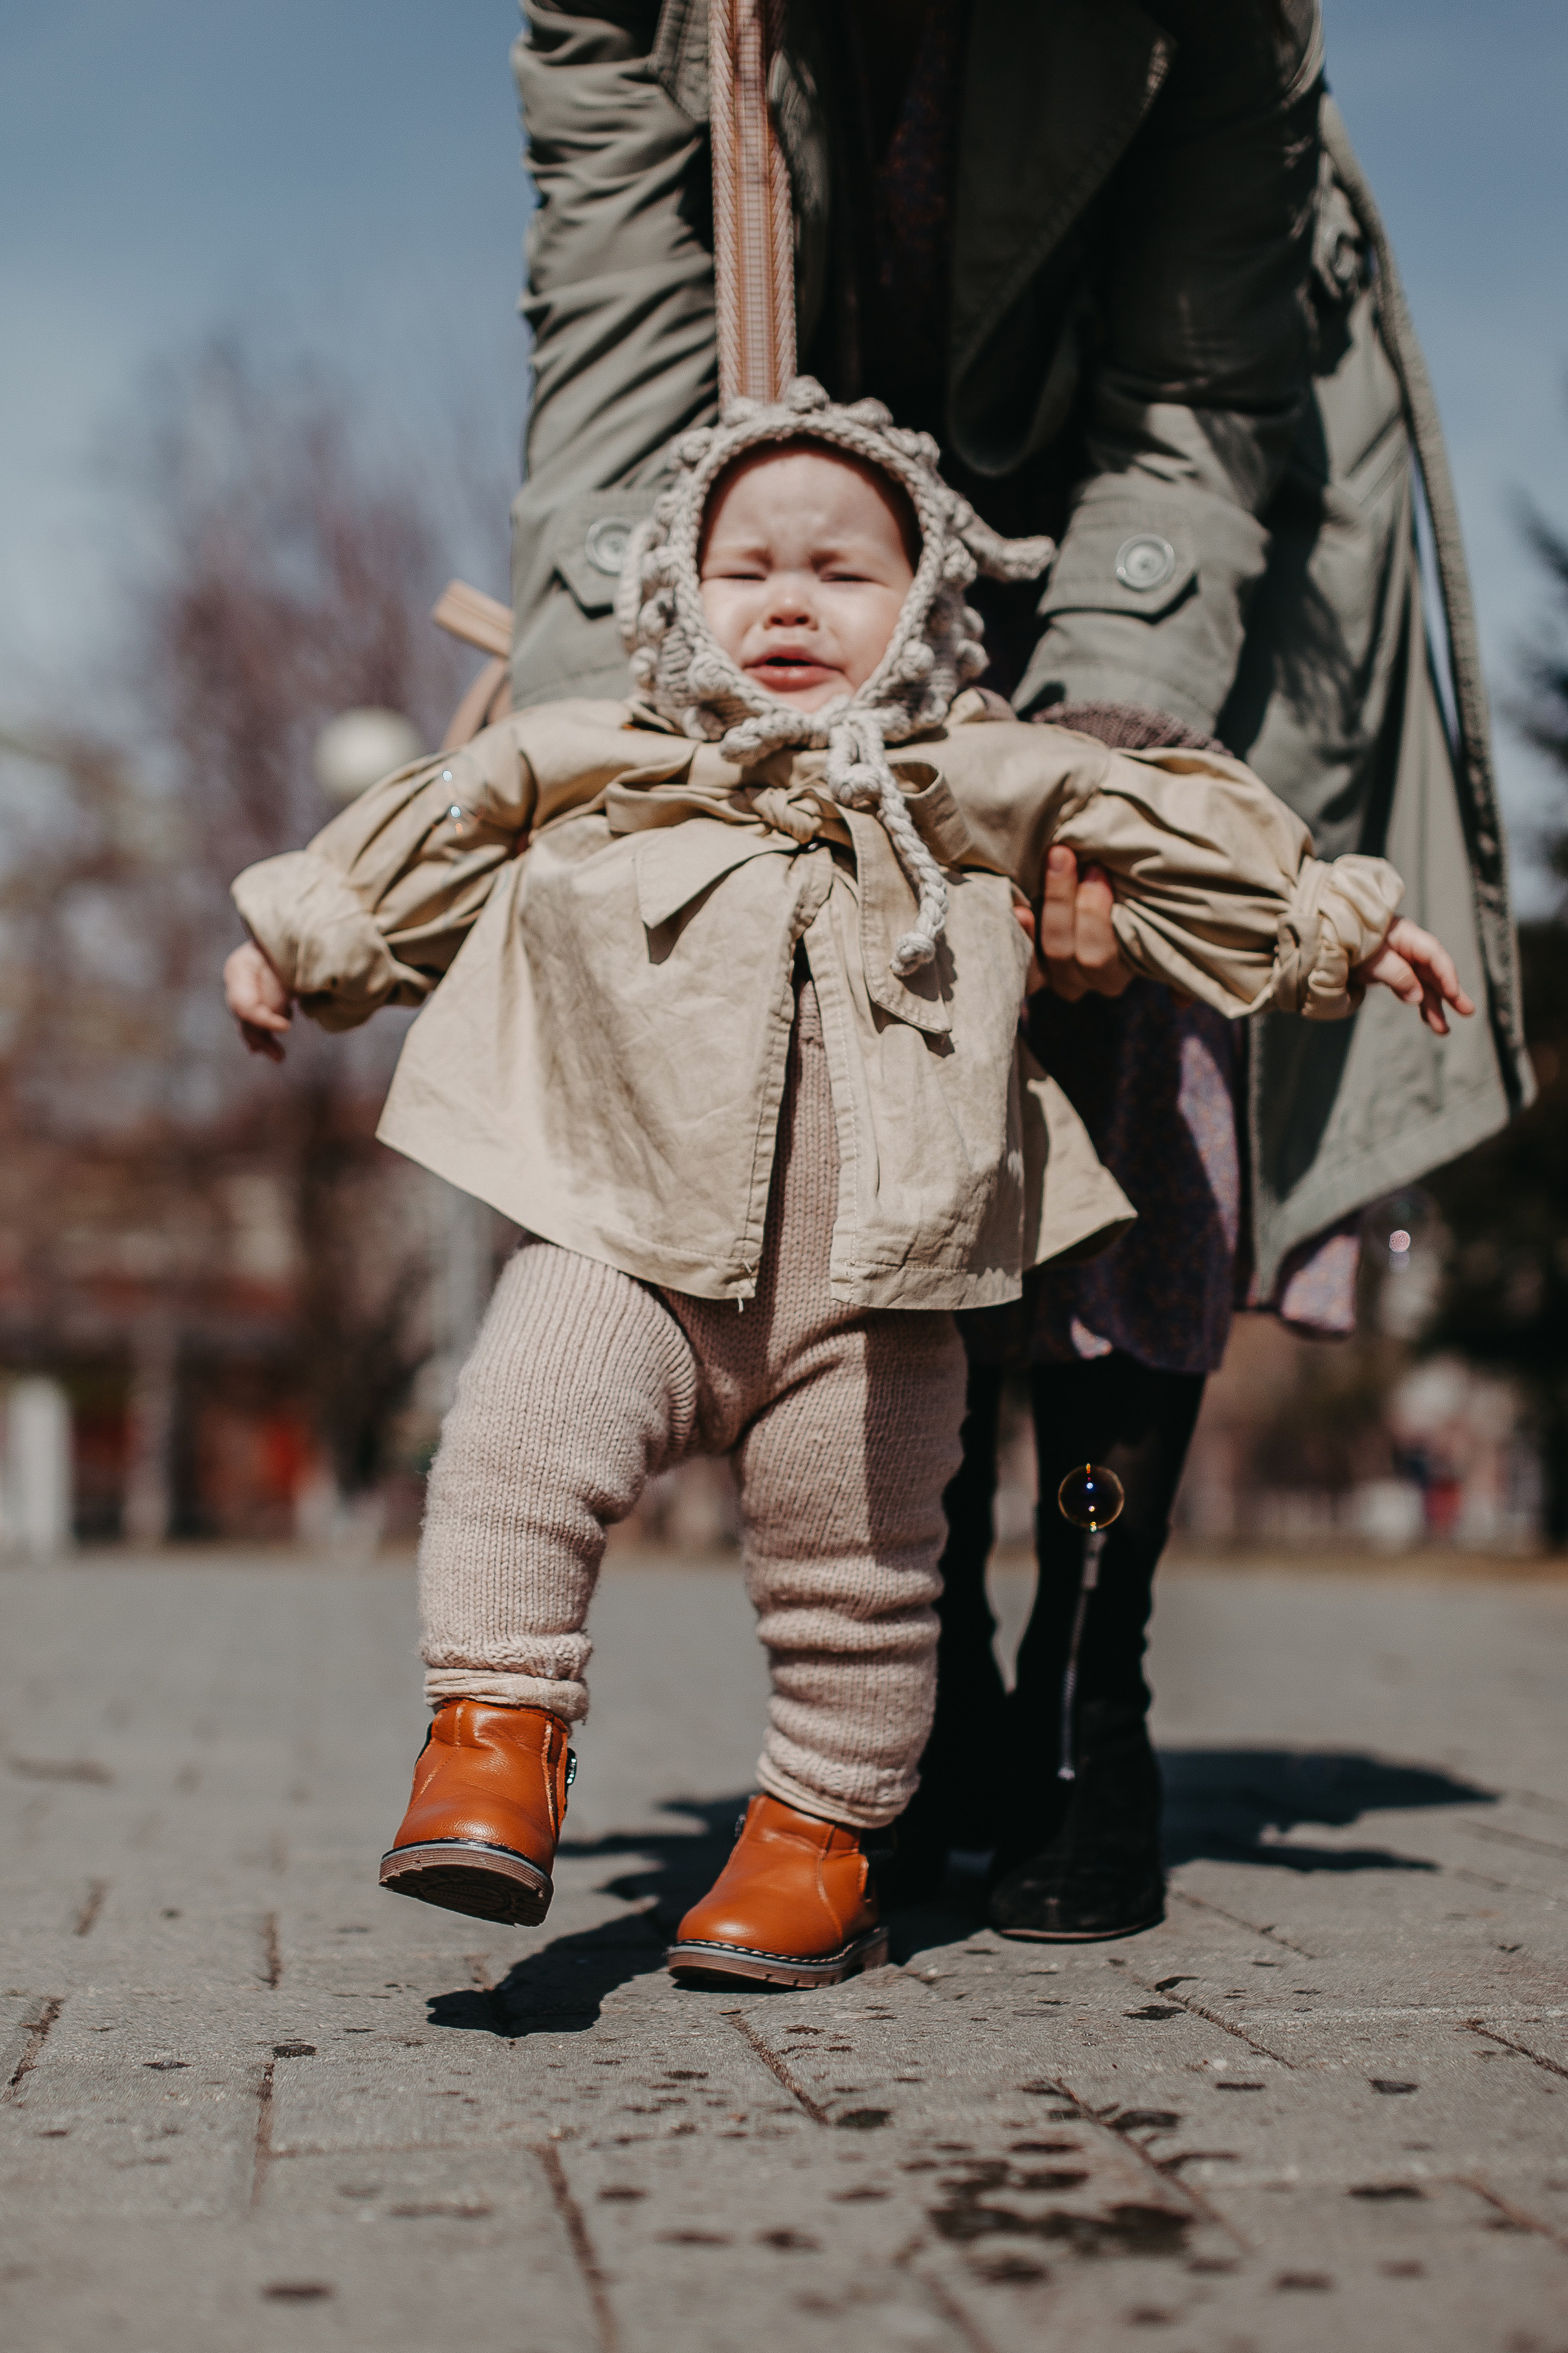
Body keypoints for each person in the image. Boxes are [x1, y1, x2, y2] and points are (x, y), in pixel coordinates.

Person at [498, 0, 1533, 1937]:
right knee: (846, 1058)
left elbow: (1196, 410)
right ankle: (938, 1667)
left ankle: (1087, 1669)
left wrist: (1108, 760)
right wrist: (631, 760)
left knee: (1134, 999)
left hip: (1176, 484)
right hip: (803, 520)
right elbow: (617, 374)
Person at [224, 385, 1471, 1987]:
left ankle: (819, 1840)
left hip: (878, 1296)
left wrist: (1332, 923)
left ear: (929, 607)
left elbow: (1152, 822)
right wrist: (302, 941)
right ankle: (495, 1733)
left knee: (861, 1586)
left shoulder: (975, 772)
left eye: (841, 571)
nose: (791, 603)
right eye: (746, 569)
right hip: (623, 1242)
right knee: (513, 1449)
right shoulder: (609, 749)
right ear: (678, 598)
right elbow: (447, 819)